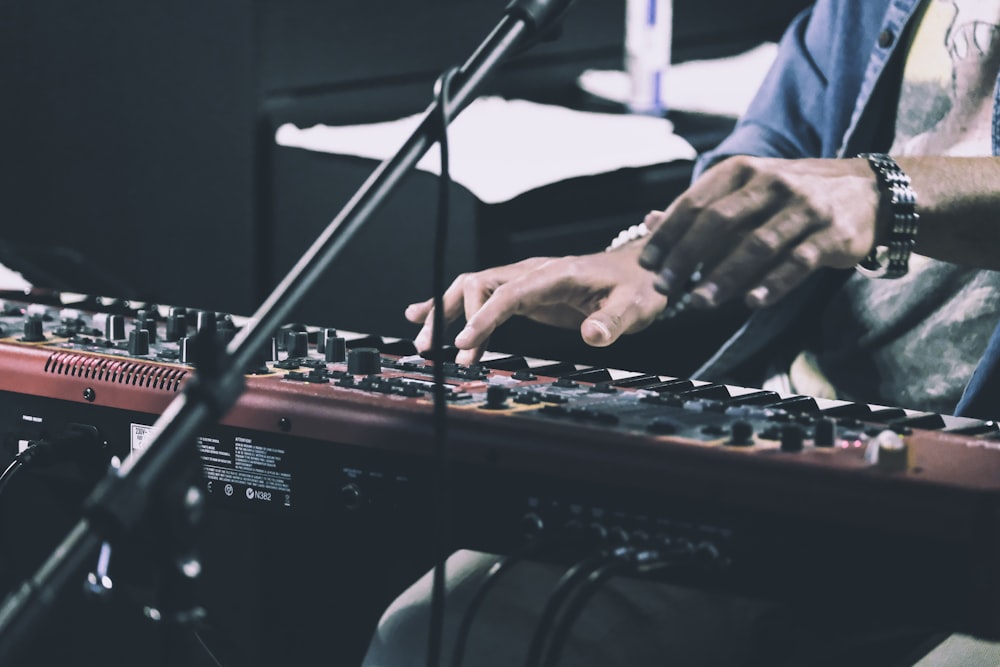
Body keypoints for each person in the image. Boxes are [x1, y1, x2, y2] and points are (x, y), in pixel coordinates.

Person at [363, 0, 1000, 664]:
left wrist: (884, 193)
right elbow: (772, 153)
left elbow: (856, 189)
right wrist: (642, 259)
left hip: (981, 503)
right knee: (444, 629)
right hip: (819, 444)